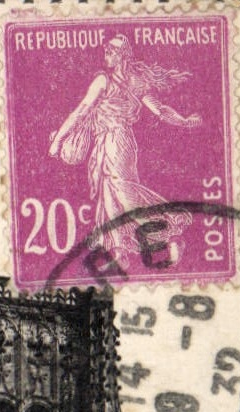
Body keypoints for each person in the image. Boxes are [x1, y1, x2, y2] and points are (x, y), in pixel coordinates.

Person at [48, 35, 202, 270]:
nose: (106, 55)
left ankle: (166, 234)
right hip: (112, 141)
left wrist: (58, 141)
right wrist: (183, 121)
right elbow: (160, 110)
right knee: (108, 191)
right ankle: (118, 250)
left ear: (123, 55)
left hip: (115, 139)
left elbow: (81, 111)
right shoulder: (133, 81)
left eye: (111, 51)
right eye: (106, 50)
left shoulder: (105, 80)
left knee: (121, 189)